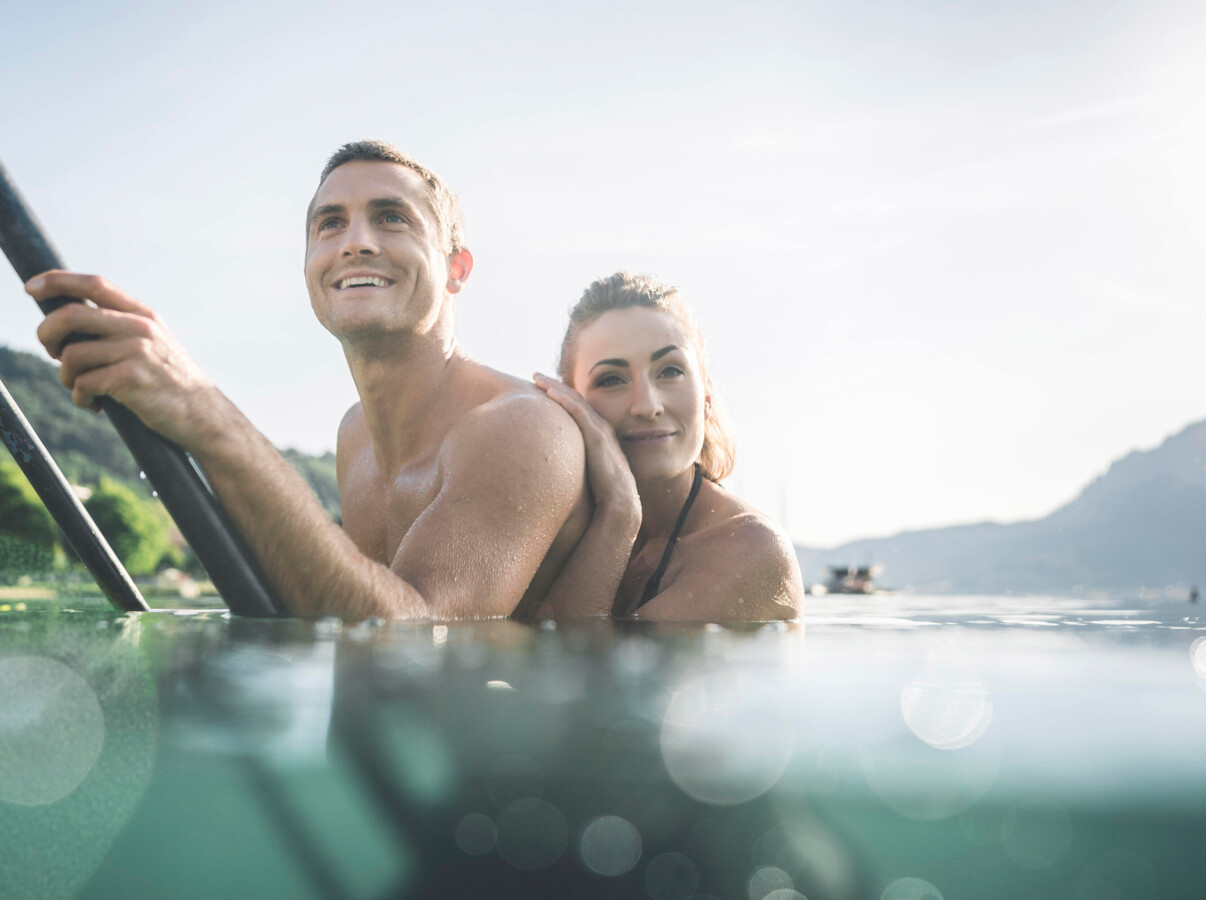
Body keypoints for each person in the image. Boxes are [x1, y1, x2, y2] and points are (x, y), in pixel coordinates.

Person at [29, 141, 590, 619]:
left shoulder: (522, 426)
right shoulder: (356, 436)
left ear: (457, 269)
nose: (355, 242)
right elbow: (339, 614)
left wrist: (206, 414)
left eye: (392, 217)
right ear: (309, 268)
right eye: (330, 224)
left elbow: (416, 637)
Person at [533, 272, 804, 621]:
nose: (647, 405)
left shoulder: (753, 548)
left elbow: (586, 666)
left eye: (670, 371)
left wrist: (620, 510)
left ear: (705, 395)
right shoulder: (550, 531)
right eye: (612, 379)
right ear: (570, 399)